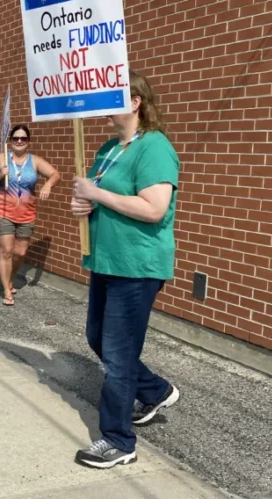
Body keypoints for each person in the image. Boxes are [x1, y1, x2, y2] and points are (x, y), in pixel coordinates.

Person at [70, 70, 181, 469]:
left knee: (117, 354)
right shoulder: (106, 148)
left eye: (111, 98)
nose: (102, 106)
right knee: (97, 338)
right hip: (106, 260)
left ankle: (118, 440)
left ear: (135, 102)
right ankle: (154, 389)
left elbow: (154, 209)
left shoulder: (154, 148)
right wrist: (84, 203)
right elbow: (99, 197)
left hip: (137, 265)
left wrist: (96, 193)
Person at [0, 124, 61, 306]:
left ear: (28, 141)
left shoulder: (34, 161)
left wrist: (48, 185)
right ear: (10, 141)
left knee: (20, 252)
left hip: (26, 213)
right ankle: (7, 291)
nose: (19, 141)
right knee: (7, 251)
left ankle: (9, 278)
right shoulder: (1, 158)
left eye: (23, 139)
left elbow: (55, 174)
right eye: (15, 138)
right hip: (2, 211)